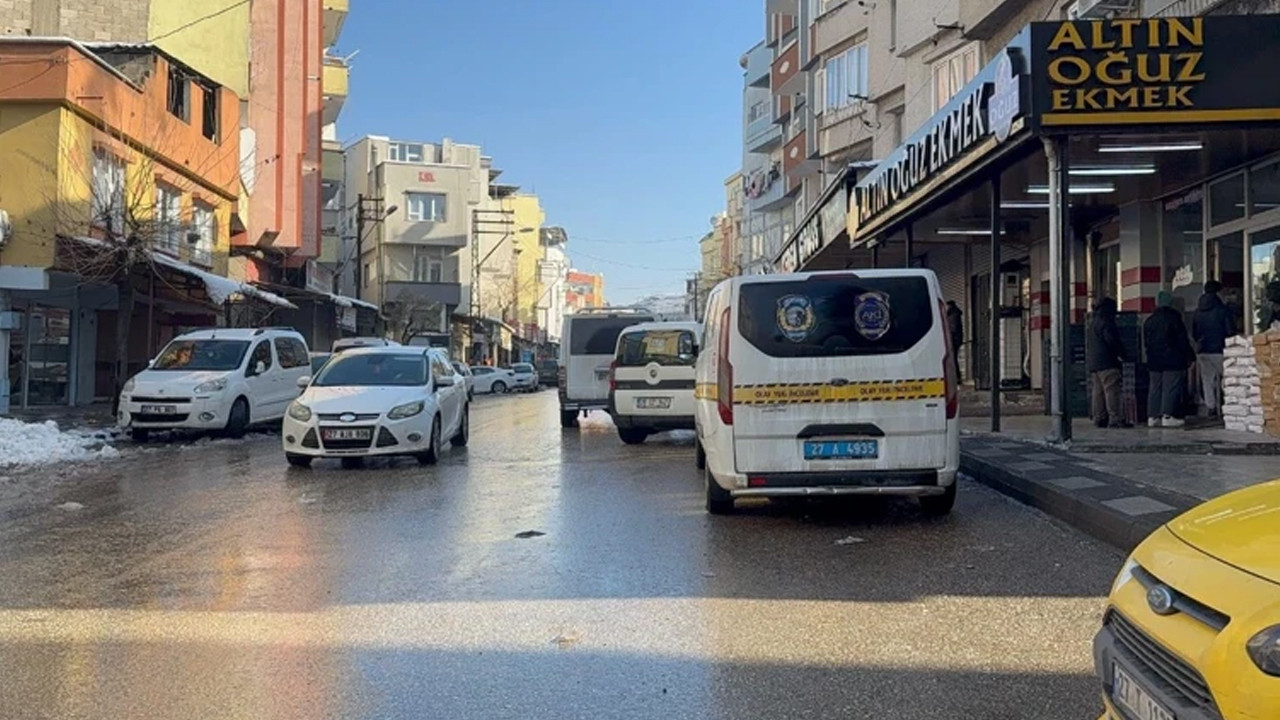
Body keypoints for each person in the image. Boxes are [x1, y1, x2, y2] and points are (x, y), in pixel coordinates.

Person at [1143, 291, 1195, 428]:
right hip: (1173, 359)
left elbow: (1146, 343)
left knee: (1154, 388)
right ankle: (1168, 415)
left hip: (1154, 361)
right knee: (1170, 388)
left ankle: (1153, 416)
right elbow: (1182, 340)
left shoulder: (1149, 321)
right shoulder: (1174, 318)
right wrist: (1190, 356)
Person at [1192, 280, 1234, 418]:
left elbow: (1194, 333)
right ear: (1218, 292)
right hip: (1220, 349)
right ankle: (1230, 404)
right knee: (1228, 377)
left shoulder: (1197, 311)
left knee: (1207, 379)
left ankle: (1211, 407)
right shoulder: (1222, 310)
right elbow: (1230, 330)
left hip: (1203, 350)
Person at [1088, 297, 1129, 428]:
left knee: (1098, 392)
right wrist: (1122, 354)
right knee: (1112, 390)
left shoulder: (1093, 322)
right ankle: (1115, 418)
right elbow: (1112, 341)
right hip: (1108, 361)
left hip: (1095, 363)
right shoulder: (1107, 322)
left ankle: (1099, 417)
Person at [945, 300, 963, 380]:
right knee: (953, 359)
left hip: (954, 341)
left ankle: (957, 377)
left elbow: (953, 328)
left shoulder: (953, 314)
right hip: (955, 340)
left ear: (950, 306)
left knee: (953, 359)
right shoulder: (953, 313)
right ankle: (956, 377)